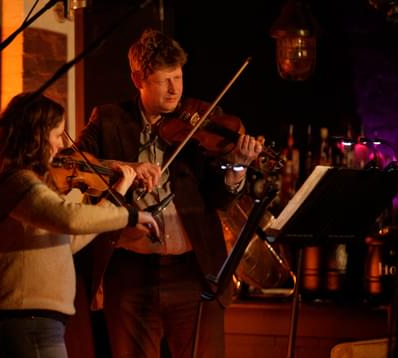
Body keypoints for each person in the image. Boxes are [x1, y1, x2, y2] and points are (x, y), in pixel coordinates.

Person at [76, 28, 264, 357]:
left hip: (192, 271)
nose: (175, 89)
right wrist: (126, 166)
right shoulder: (108, 120)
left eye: (178, 77)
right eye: (164, 80)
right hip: (130, 273)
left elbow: (220, 198)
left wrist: (237, 167)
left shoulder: (202, 122)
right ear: (138, 79)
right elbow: (77, 164)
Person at [0, 92, 159, 358]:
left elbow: (69, 240)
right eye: (57, 134)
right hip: (24, 318)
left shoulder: (31, 184)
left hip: (38, 319)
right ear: (36, 137)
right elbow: (69, 217)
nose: (62, 145)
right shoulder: (14, 182)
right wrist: (130, 215)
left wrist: (116, 196)